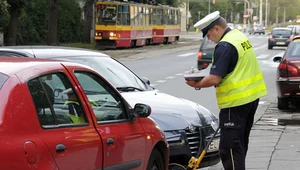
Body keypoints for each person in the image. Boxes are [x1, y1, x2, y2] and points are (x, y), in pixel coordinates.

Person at [186, 11, 268, 170]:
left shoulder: (224, 45)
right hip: (250, 99)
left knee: (229, 148)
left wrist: (195, 83)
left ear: (216, 29)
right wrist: (202, 73)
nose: (208, 38)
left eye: (208, 34)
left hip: (234, 103)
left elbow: (215, 78)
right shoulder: (238, 37)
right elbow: (230, 67)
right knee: (240, 145)